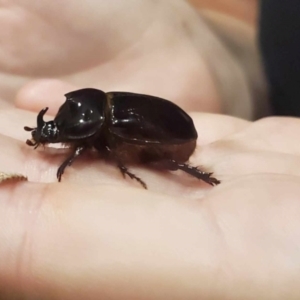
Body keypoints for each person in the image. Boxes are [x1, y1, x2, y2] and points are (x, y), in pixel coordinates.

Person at [1, 1, 300, 299]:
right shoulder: (99, 113)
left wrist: (105, 166)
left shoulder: (109, 124)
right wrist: (221, 64)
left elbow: (81, 149)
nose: (57, 133)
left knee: (169, 163)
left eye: (60, 129)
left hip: (175, 136)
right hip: (229, 100)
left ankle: (211, 180)